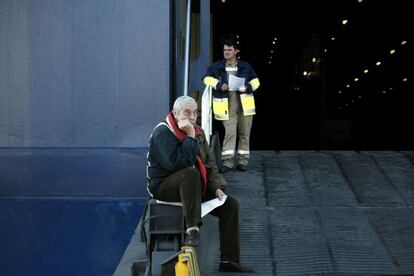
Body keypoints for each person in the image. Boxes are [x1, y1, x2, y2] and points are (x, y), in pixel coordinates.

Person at [146, 96, 254, 273]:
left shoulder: (197, 132)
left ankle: (229, 260)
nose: (192, 117)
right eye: (187, 112)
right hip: (164, 187)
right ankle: (192, 229)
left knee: (230, 205)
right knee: (190, 173)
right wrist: (189, 137)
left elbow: (209, 163)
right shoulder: (162, 133)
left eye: (195, 112)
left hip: (191, 185)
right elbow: (177, 164)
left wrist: (217, 187)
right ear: (175, 113)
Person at [203, 38, 260, 173]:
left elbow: (256, 81)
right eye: (224, 50)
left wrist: (247, 87)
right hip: (227, 104)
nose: (226, 52)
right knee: (230, 132)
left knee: (245, 133)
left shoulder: (246, 66)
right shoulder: (217, 66)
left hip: (245, 104)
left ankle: (242, 161)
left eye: (229, 50)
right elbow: (205, 78)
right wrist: (218, 84)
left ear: (236, 51)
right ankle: (227, 162)